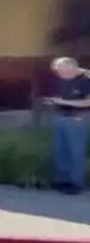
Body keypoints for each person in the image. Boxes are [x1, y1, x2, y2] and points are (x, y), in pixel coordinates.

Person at [45, 56, 90, 194]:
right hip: (60, 116)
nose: (60, 75)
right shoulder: (61, 79)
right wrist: (54, 102)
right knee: (60, 150)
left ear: (72, 68)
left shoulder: (85, 81)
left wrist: (64, 102)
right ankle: (62, 181)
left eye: (62, 71)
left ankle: (76, 183)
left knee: (75, 151)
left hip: (77, 118)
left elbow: (87, 102)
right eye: (58, 72)